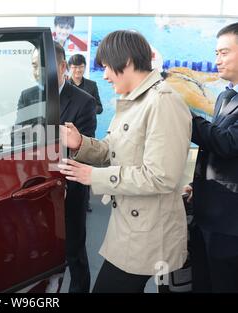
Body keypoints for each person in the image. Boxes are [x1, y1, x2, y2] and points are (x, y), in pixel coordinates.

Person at [59, 30, 192, 293]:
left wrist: (93, 177)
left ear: (127, 61)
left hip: (151, 231)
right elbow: (114, 150)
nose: (105, 75)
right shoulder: (134, 101)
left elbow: (161, 176)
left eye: (107, 67)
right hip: (130, 226)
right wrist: (81, 143)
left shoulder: (163, 102)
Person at [184, 22, 238, 293]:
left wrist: (184, 115)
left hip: (230, 223)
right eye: (216, 53)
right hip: (208, 212)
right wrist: (197, 187)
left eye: (224, 52)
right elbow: (215, 151)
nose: (217, 60)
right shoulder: (225, 96)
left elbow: (228, 143)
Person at [55, 42, 97, 292]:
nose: (36, 73)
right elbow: (19, 138)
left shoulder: (84, 100)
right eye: (33, 67)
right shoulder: (27, 95)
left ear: (62, 67)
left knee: (74, 251)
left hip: (69, 186)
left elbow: (84, 150)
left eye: (41, 67)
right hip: (32, 187)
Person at [68, 54, 103, 213]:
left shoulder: (92, 85)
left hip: (87, 133)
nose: (77, 70)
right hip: (69, 134)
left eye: (80, 66)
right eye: (74, 67)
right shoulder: (64, 85)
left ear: (84, 67)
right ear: (69, 68)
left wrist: (86, 109)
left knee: (86, 165)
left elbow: (100, 107)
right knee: (69, 166)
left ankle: (85, 200)